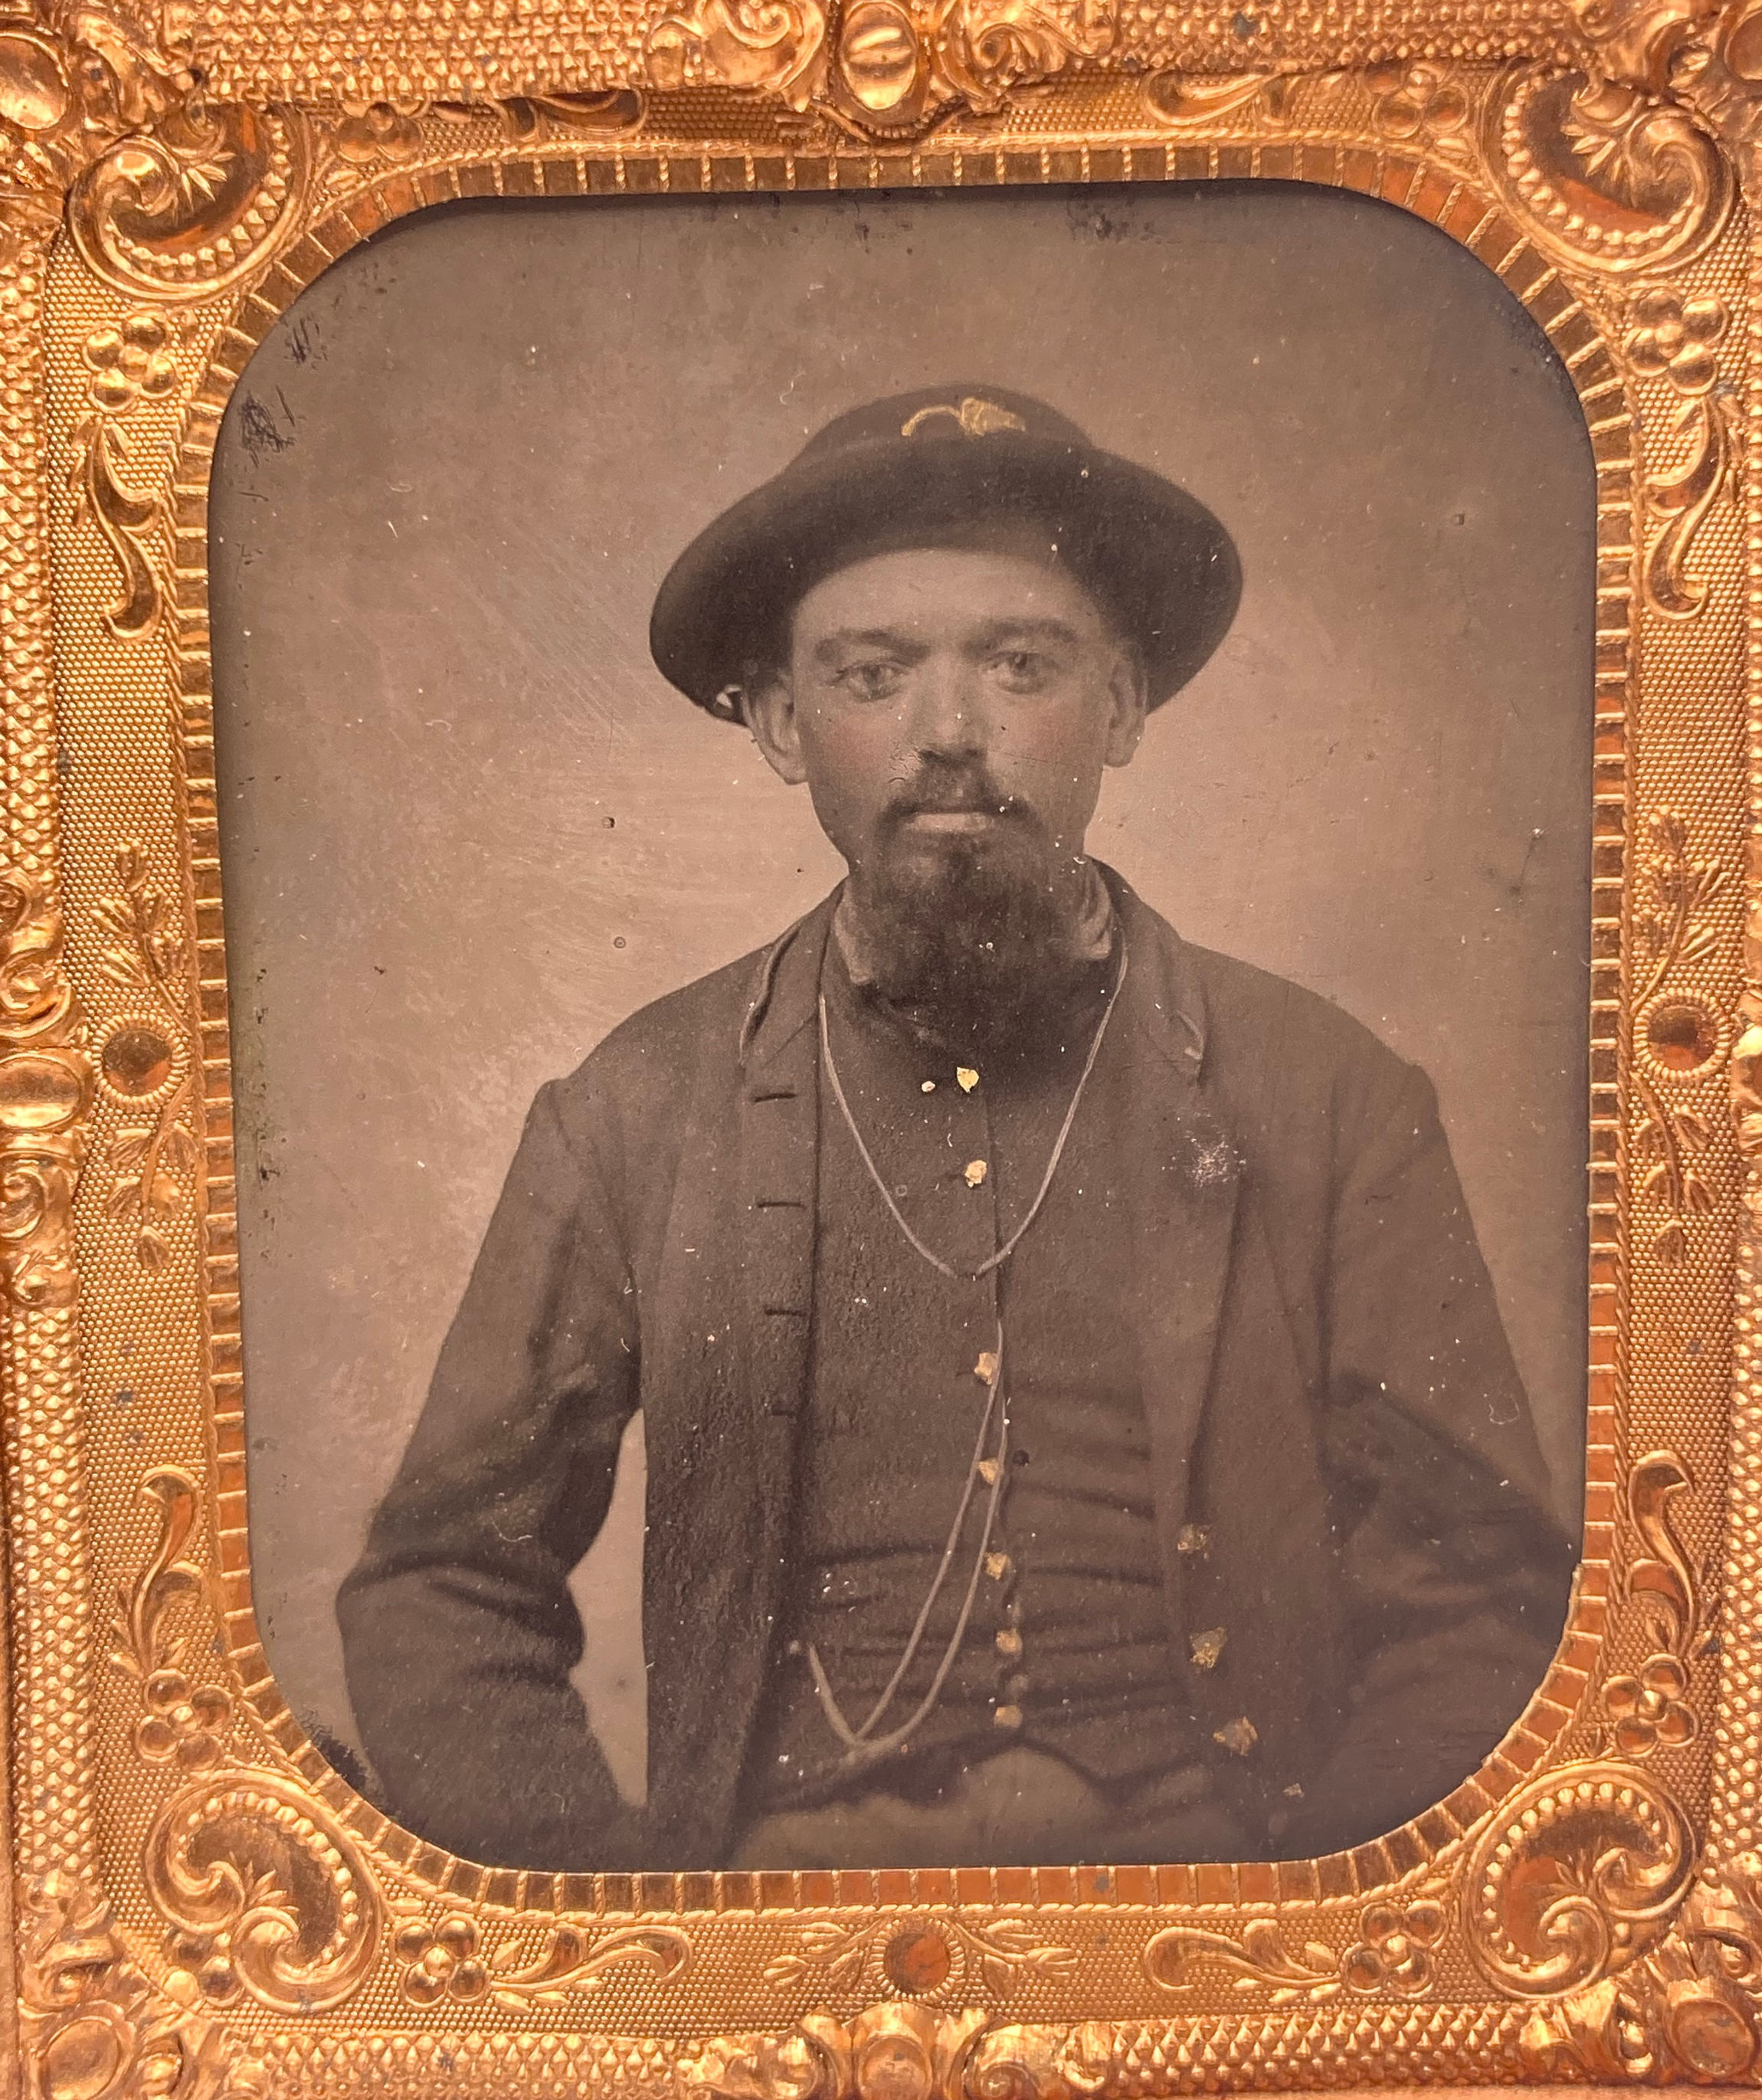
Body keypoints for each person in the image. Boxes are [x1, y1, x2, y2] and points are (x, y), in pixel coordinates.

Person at [337, 385, 1576, 1872]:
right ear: (786, 727)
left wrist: (1330, 1912)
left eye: (1018, 665)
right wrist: (623, 1930)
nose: (945, 736)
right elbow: (441, 1584)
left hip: (1219, 1894)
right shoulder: (634, 1107)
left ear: (1118, 708)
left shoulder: (1323, 1092)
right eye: (869, 676)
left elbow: (1477, 1592)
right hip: (781, 1927)